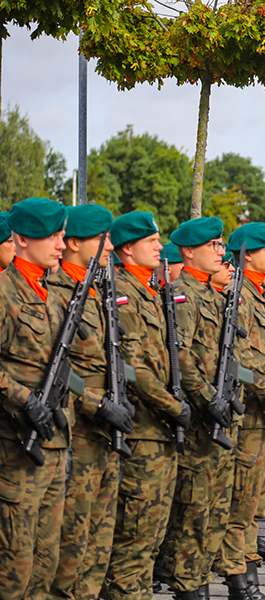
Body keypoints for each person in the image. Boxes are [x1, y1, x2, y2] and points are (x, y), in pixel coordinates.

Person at [105, 211, 192, 600]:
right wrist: (172, 406)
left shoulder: (148, 291)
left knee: (152, 533)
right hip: (142, 429)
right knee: (135, 536)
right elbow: (133, 368)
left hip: (158, 431)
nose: (160, 246)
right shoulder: (123, 292)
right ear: (127, 248)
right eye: (151, 241)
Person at [49, 204, 127, 600]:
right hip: (78, 431)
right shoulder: (58, 293)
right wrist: (98, 404)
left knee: (100, 537)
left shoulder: (99, 292)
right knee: (71, 541)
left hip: (105, 434)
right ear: (74, 243)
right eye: (102, 238)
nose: (110, 245)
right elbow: (56, 371)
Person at [156, 217, 235, 600]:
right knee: (194, 512)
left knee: (215, 511)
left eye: (221, 245)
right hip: (200, 417)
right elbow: (180, 357)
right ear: (188, 251)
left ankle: (199, 579)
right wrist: (209, 397)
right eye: (214, 245)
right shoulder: (181, 294)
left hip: (218, 414)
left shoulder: (212, 295)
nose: (221, 252)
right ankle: (189, 587)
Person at [0, 198, 69, 600]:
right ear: (22, 238)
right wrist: (24, 400)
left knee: (46, 565)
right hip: (15, 452)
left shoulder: (52, 294)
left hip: (55, 448)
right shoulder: (5, 292)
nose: (61, 244)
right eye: (52, 236)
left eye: (62, 236)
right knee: (14, 569)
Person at [215, 222, 265, 600]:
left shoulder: (263, 295)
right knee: (240, 507)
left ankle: (249, 576)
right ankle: (241, 582)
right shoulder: (236, 296)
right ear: (247, 255)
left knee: (255, 506)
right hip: (248, 417)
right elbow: (237, 361)